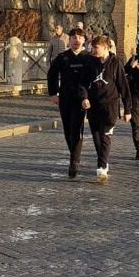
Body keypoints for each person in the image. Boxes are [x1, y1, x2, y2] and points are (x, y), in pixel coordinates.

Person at [79, 35, 132, 183]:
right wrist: (84, 98)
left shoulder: (116, 63)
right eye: (92, 47)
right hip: (94, 105)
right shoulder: (90, 62)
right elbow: (83, 83)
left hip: (110, 106)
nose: (93, 50)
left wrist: (127, 109)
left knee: (106, 135)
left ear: (106, 48)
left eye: (96, 47)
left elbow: (124, 87)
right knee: (96, 136)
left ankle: (101, 167)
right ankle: (104, 159)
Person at [47, 27, 89, 178]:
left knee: (76, 129)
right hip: (65, 98)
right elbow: (52, 74)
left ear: (84, 40)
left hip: (81, 100)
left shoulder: (88, 57)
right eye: (73, 37)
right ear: (69, 40)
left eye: (79, 37)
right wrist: (53, 93)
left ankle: (74, 162)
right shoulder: (62, 57)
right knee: (67, 130)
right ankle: (74, 153)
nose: (76, 40)